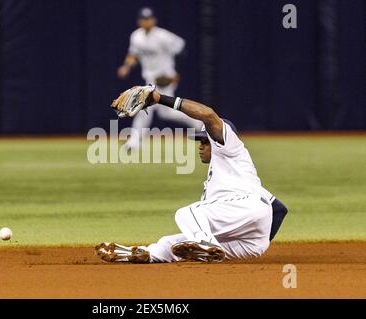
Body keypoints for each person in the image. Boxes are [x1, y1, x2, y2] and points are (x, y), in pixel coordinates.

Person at [97, 87, 288, 263]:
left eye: (205, 141)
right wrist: (260, 236)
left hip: (245, 211)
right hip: (253, 242)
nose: (200, 146)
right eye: (200, 141)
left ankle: (207, 244)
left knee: (188, 213)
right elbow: (279, 209)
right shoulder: (234, 174)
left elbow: (208, 115)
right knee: (171, 243)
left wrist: (160, 98)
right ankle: (136, 253)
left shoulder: (232, 148)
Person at [117, 7, 202, 150]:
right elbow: (133, 55)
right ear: (139, 21)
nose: (146, 21)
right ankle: (196, 121)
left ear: (154, 20)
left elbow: (181, 49)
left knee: (144, 108)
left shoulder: (163, 36)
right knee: (164, 112)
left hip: (165, 77)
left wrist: (176, 73)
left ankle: (134, 142)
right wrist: (126, 66)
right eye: (144, 19)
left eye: (149, 19)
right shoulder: (136, 36)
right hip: (150, 78)